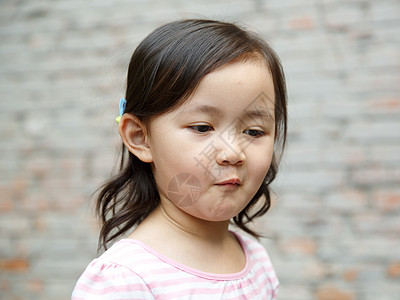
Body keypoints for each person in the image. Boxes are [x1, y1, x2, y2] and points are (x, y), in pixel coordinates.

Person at [72, 19, 287, 299]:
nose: (233, 152)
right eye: (202, 128)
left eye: (254, 131)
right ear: (140, 137)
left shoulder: (255, 258)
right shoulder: (124, 280)